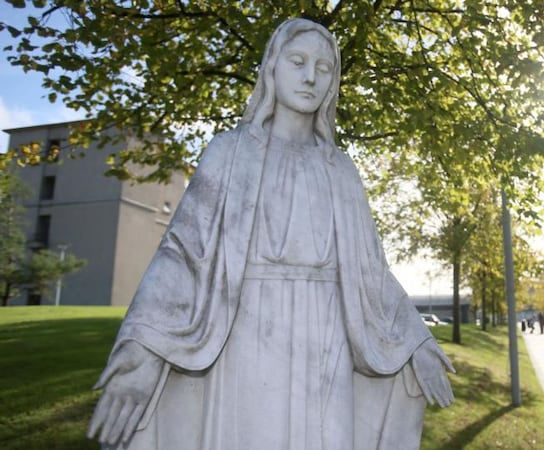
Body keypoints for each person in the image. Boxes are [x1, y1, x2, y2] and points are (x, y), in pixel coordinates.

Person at [87, 18, 454, 450]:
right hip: (245, 333)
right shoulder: (228, 153)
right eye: (297, 61)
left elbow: (370, 271)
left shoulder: (340, 170)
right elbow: (182, 254)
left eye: (324, 67)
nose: (310, 76)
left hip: (327, 341)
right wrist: (142, 350)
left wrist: (416, 340)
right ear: (271, 68)